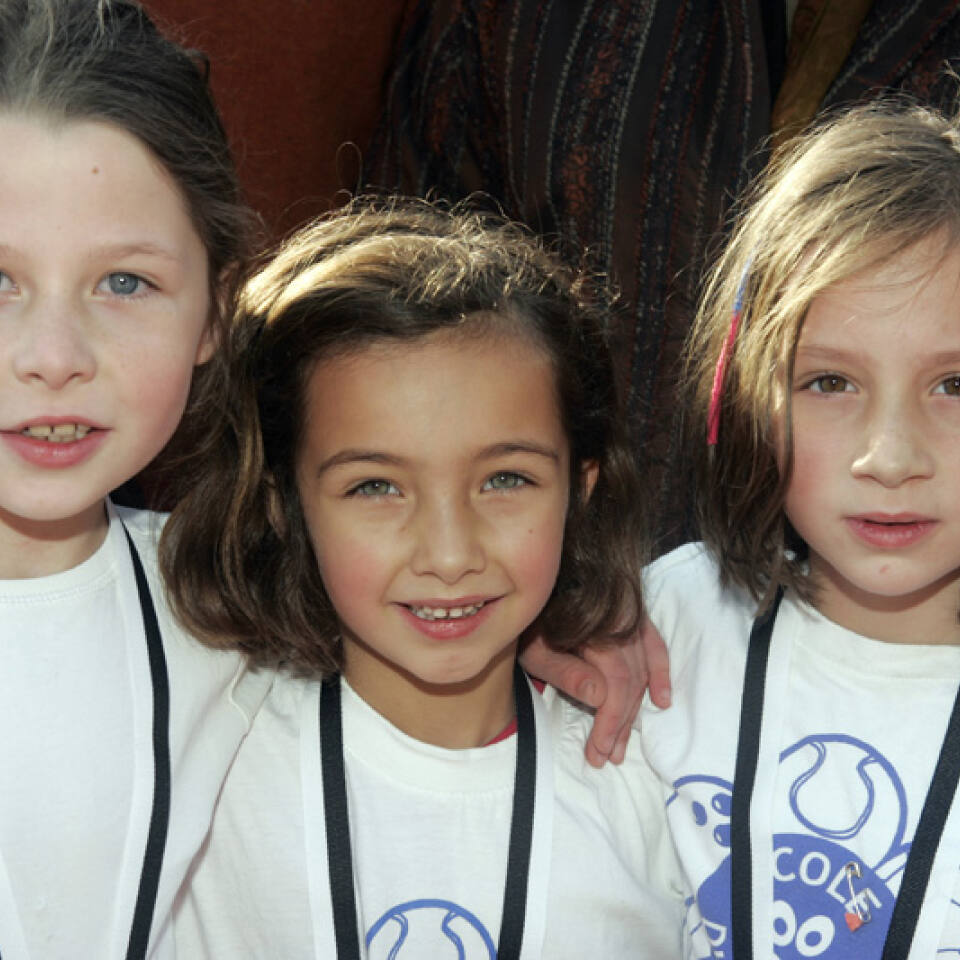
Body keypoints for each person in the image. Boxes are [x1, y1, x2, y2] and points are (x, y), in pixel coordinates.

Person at [161, 197, 684, 958]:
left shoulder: (649, 775)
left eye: (505, 480)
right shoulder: (204, 732)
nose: (448, 554)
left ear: (581, 489)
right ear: (283, 503)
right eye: (375, 487)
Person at [640, 99, 960, 957]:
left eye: (955, 386)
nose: (890, 457)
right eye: (829, 383)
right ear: (740, 397)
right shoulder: (664, 626)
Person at [0, 1, 275, 957]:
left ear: (214, 315)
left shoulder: (241, 616)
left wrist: (550, 636)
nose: (52, 356)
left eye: (124, 283)